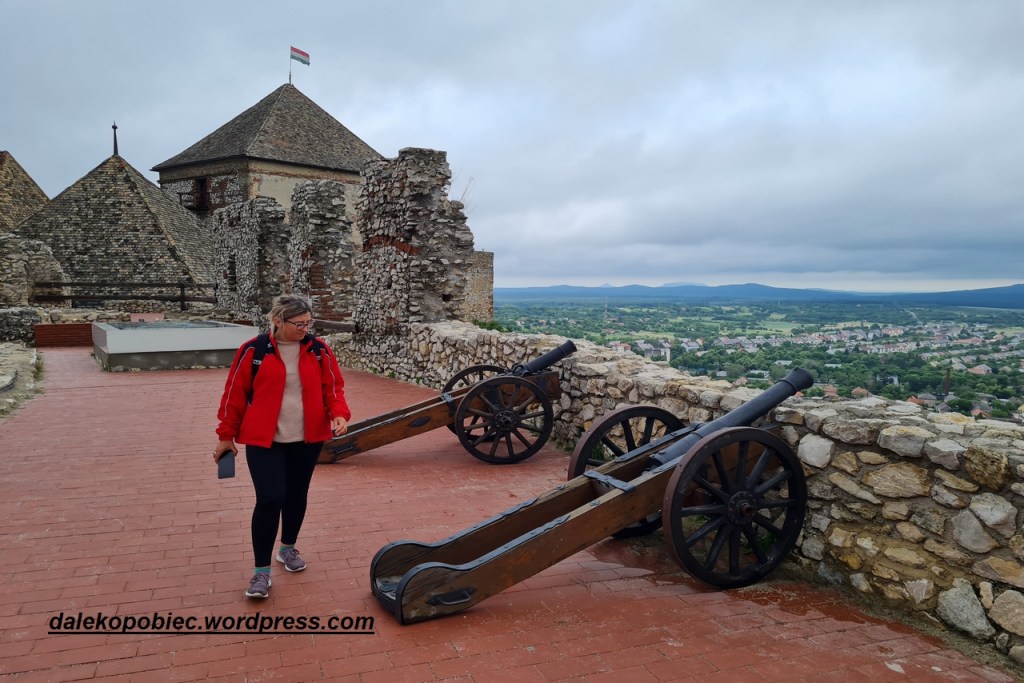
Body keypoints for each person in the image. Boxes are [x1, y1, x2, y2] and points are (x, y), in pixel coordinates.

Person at [213, 294, 350, 599]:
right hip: (265, 440)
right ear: (278, 321)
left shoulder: (318, 350)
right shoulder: (254, 350)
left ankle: (287, 548)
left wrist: (339, 413)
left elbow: (333, 387)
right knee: (270, 499)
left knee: (296, 495)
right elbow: (233, 395)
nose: (305, 328)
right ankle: (260, 572)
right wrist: (226, 435)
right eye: (299, 323)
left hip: (306, 439)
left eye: (308, 322)